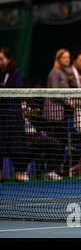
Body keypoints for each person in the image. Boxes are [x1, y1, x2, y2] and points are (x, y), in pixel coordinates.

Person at [43, 48, 71, 178]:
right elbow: (54, 92)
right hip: (53, 114)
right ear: (58, 59)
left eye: (68, 57)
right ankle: (50, 170)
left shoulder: (63, 72)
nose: (67, 60)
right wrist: (68, 101)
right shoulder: (55, 72)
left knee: (61, 142)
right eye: (64, 57)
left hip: (61, 113)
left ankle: (55, 169)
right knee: (55, 143)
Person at [0, 47, 26, 181]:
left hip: (14, 115)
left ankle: (19, 172)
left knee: (17, 145)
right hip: (1, 116)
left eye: (1, 59)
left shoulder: (16, 72)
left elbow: (16, 91)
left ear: (8, 59)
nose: (0, 62)